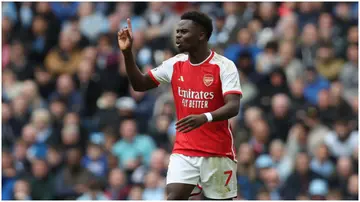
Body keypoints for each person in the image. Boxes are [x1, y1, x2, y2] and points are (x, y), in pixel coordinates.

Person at [117, 11, 242, 200]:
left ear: (201, 35)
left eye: (184, 31)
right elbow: (139, 84)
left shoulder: (224, 66)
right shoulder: (175, 64)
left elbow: (233, 106)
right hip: (184, 150)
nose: (177, 35)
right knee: (174, 197)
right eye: (177, 31)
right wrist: (127, 53)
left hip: (217, 151)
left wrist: (205, 117)